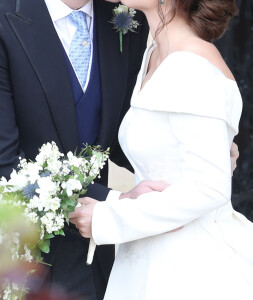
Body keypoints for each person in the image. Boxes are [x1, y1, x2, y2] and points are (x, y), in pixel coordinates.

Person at [70, 0, 253, 299]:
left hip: (189, 267)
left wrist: (108, 219)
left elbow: (210, 188)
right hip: (148, 256)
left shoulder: (192, 64)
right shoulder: (154, 54)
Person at [0, 0, 151, 298]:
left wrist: (186, 154)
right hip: (23, 257)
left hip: (95, 258)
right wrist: (113, 200)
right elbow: (4, 164)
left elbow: (123, 133)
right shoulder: (6, 18)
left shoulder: (127, 22)